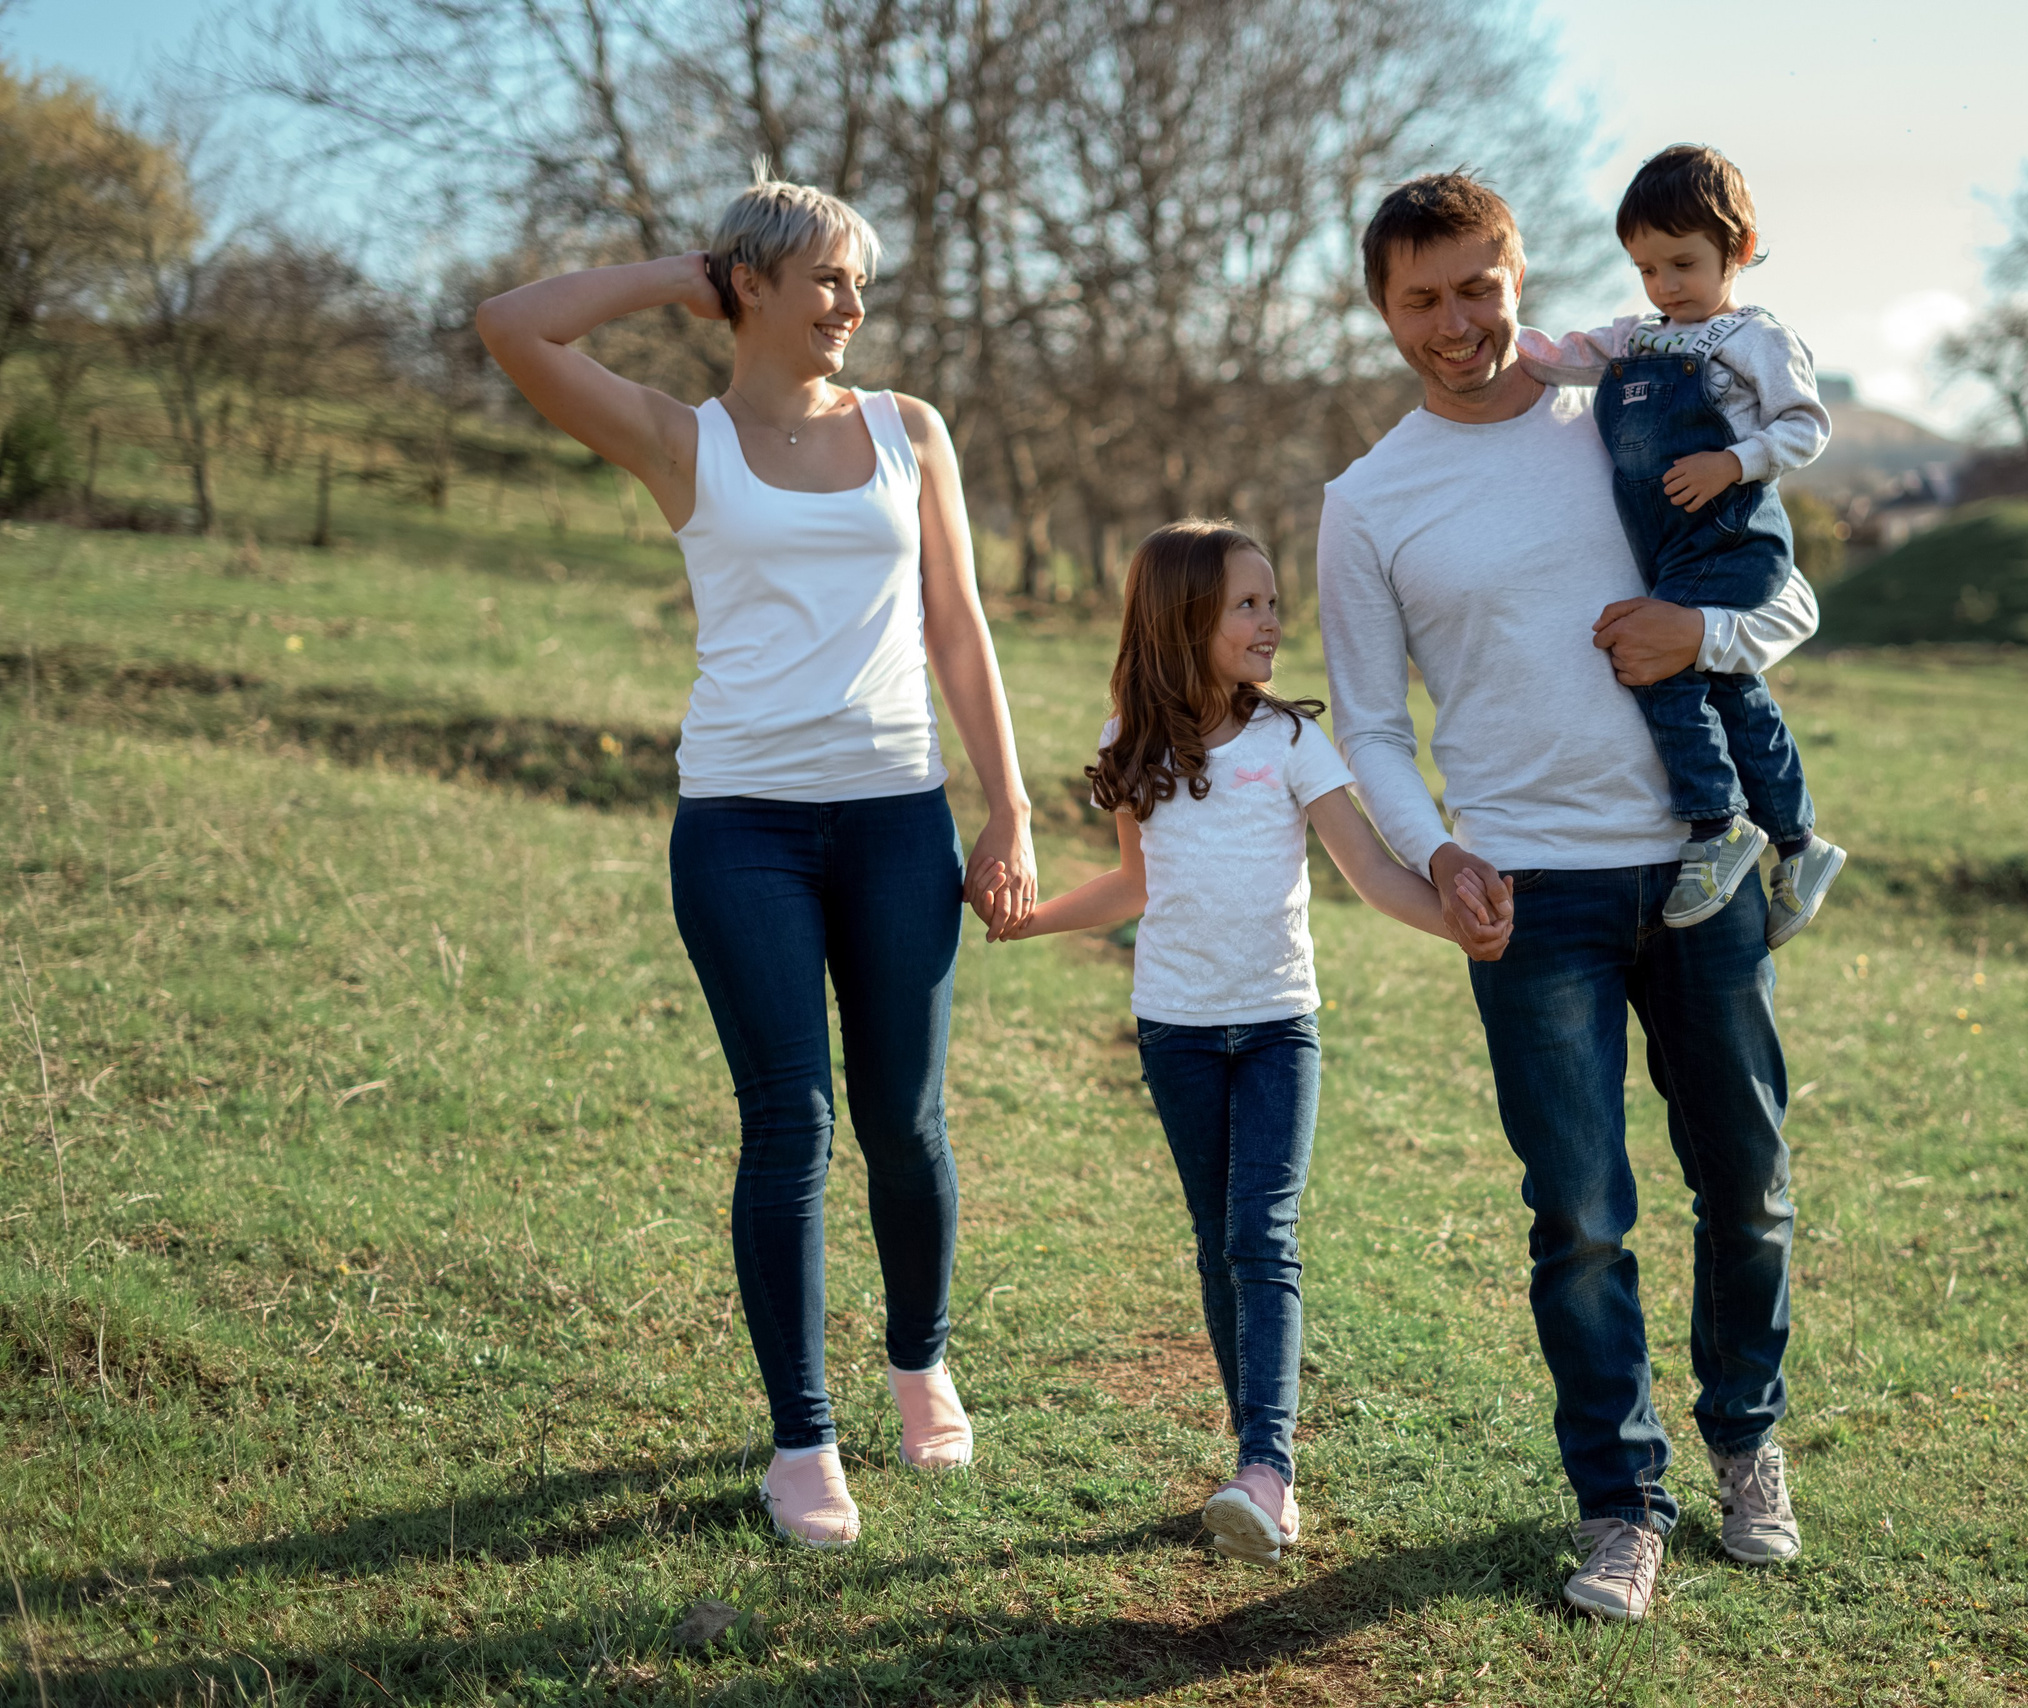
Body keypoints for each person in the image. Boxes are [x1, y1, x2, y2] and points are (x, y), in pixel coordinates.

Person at [476, 169, 1040, 1550]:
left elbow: (957, 627)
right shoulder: (682, 442)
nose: (855, 301)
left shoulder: (912, 431)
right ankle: (804, 1437)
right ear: (758, 290)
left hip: (898, 815)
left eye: (859, 280)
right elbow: (512, 324)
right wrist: (681, 273)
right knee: (788, 1121)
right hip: (741, 828)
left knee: (902, 1119)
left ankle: (919, 1359)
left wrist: (1010, 808)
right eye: (831, 278)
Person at [1318, 171, 1817, 1621]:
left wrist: (1698, 628)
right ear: (1385, 310)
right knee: (1583, 1216)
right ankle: (1620, 1507)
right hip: (1528, 890)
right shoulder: (1370, 501)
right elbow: (1366, 724)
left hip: (1695, 863)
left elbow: (1787, 601)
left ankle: (1746, 1445)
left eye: (1481, 285)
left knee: (1750, 1184)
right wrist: (1437, 851)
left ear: (1519, 279)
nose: (1458, 321)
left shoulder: (1639, 419)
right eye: (1424, 298)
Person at [983, 519, 1479, 1565]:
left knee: (1263, 1233)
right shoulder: (1136, 743)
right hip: (1173, 1028)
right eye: (1247, 604)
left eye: (1270, 601)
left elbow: (1371, 872)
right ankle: (1256, 1456)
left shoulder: (1292, 741)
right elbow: (1133, 885)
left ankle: (1267, 1468)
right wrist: (1034, 918)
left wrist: (1463, 923)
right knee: (1220, 1241)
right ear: (1184, 619)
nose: (1272, 621)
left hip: (1275, 1026)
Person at [1515, 144, 1847, 943]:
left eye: (1683, 264)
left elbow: (1807, 425)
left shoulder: (1754, 338)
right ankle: (1800, 843)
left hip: (1730, 537)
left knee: (1659, 663)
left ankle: (1718, 826)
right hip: (1676, 549)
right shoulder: (1638, 338)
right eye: (1646, 269)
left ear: (1736, 251)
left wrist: (1732, 461)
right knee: (1728, 683)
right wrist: (1500, 337)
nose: (1665, 286)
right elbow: (1564, 358)